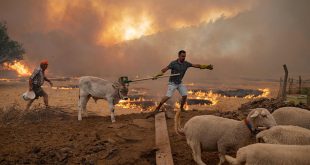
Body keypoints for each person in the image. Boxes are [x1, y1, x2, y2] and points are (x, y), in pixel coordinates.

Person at [150, 50, 213, 116]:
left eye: (184, 56)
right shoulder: (173, 63)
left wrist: (206, 67)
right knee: (168, 96)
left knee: (185, 95)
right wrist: (157, 75)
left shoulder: (186, 64)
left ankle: (181, 108)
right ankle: (157, 108)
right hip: (172, 83)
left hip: (179, 83)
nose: (184, 58)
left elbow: (196, 66)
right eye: (182, 56)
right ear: (179, 56)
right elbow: (164, 70)